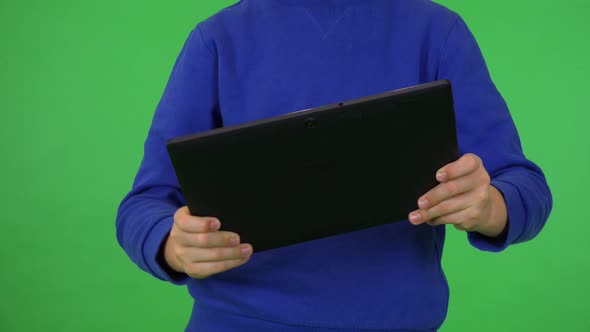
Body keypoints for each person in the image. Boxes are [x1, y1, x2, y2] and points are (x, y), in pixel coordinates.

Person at [116, 0, 553, 331]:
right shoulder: (217, 40)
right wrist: (173, 244)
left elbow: (524, 185)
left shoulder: (437, 33)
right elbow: (145, 204)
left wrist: (489, 206)